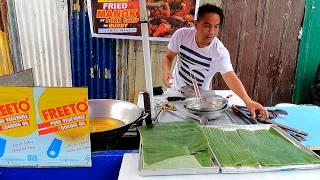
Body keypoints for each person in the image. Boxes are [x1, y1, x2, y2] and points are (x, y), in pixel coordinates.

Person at [162, 3, 268, 118]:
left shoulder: (219, 52)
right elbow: (168, 57)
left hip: (199, 100)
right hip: (175, 91)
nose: (212, 31)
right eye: (207, 25)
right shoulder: (181, 35)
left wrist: (248, 101)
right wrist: (167, 71)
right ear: (196, 24)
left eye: (216, 26)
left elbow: (230, 76)